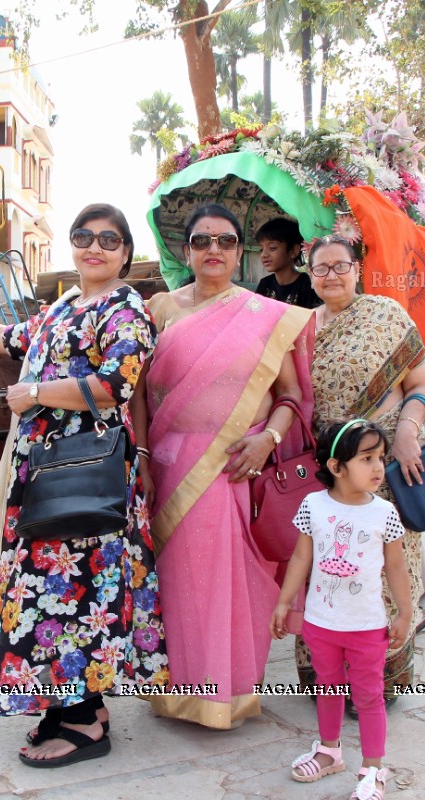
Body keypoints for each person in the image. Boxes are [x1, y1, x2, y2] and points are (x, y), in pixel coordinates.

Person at [0, 203, 165, 768]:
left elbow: (115, 385)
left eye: (108, 239)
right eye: (83, 236)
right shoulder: (66, 306)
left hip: (86, 472)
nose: (93, 247)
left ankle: (85, 723)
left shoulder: (126, 309)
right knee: (49, 589)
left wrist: (36, 396)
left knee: (79, 591)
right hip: (45, 471)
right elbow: (10, 339)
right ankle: (75, 707)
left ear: (125, 251)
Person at [129, 203, 313, 730]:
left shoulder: (265, 314)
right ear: (185, 251)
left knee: (231, 580)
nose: (214, 250)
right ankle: (177, 693)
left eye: (226, 241)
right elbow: (137, 391)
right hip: (169, 463)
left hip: (238, 465)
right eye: (203, 241)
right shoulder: (158, 310)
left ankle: (229, 693)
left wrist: (268, 440)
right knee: (178, 580)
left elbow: (292, 394)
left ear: (240, 252)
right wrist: (142, 455)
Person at [301, 234, 425, 700]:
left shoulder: (386, 316)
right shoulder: (301, 328)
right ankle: (327, 681)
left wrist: (408, 432)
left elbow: (421, 384)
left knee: (382, 573)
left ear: (357, 269)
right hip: (329, 477)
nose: (332, 275)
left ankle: (377, 682)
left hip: (382, 470)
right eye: (322, 268)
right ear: (309, 272)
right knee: (328, 572)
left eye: (341, 266)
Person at [272, 419, 411, 800]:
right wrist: (284, 603)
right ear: (336, 467)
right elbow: (301, 557)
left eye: (380, 457)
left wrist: (404, 612)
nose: (378, 467)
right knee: (328, 687)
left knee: (369, 695)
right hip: (321, 623)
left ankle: (373, 769)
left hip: (367, 626)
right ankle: (330, 750)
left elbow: (396, 566)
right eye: (367, 458)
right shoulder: (312, 505)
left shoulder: (383, 512)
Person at [254, 217, 322, 309]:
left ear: (294, 250)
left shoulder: (307, 285)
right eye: (261, 249)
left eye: (272, 248)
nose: (263, 254)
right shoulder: (265, 284)